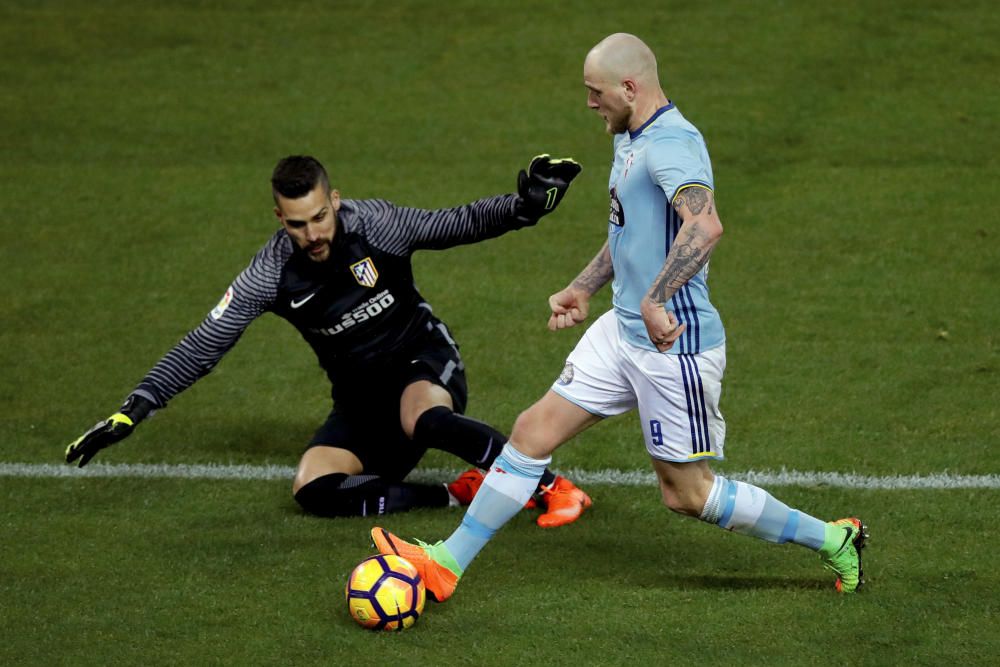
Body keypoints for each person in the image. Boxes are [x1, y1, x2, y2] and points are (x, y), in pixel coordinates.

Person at [372, 33, 868, 600]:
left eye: (596, 92)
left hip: (672, 346)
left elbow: (704, 227)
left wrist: (655, 299)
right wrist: (583, 288)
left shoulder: (672, 144)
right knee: (532, 431)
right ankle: (446, 564)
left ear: (630, 88)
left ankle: (834, 539)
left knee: (687, 494)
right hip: (622, 330)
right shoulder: (634, 134)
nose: (590, 103)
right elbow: (632, 231)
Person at [65, 154, 595, 526]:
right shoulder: (270, 274)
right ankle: (455, 494)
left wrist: (523, 209)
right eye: (298, 224)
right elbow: (205, 345)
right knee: (313, 488)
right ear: (280, 218)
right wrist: (135, 409)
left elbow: (453, 223)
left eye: (320, 216)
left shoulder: (376, 226)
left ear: (334, 200)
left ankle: (551, 488)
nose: (314, 233)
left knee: (424, 419)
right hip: (362, 404)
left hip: (423, 362)